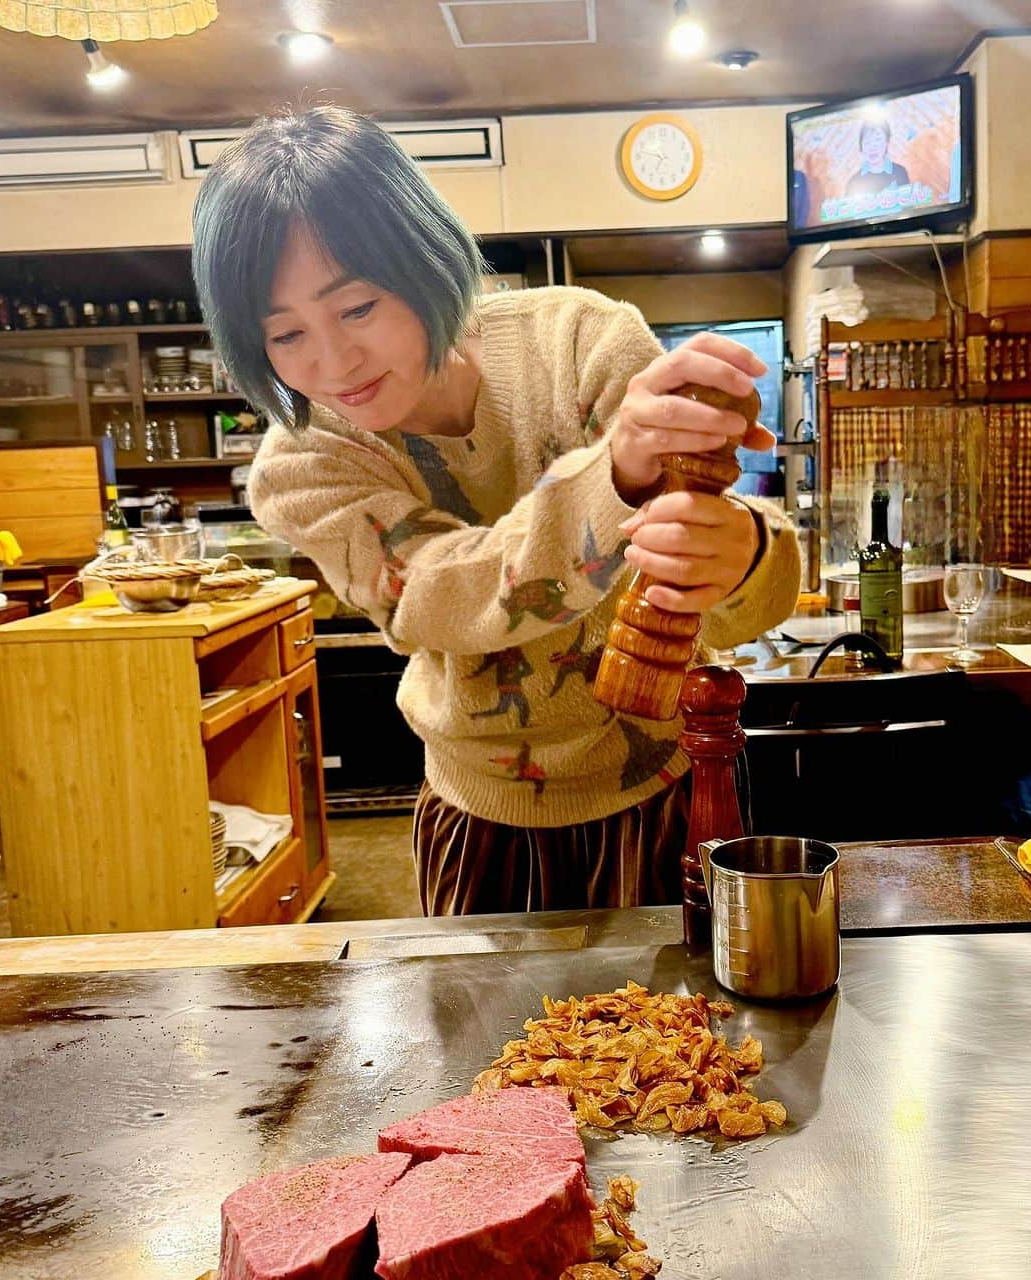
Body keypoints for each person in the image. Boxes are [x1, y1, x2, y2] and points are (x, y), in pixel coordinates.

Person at [192, 107, 801, 916]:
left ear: (422, 261)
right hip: (484, 813)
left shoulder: (581, 343)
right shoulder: (304, 462)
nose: (333, 363)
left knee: (690, 1037)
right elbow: (439, 594)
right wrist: (613, 476)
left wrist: (746, 552)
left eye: (358, 308)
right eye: (285, 334)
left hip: (670, 788)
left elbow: (728, 603)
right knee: (492, 1043)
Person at [846, 117, 909, 197]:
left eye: (877, 140)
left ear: (887, 143)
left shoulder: (900, 172)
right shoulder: (853, 182)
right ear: (861, 147)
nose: (872, 147)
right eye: (867, 142)